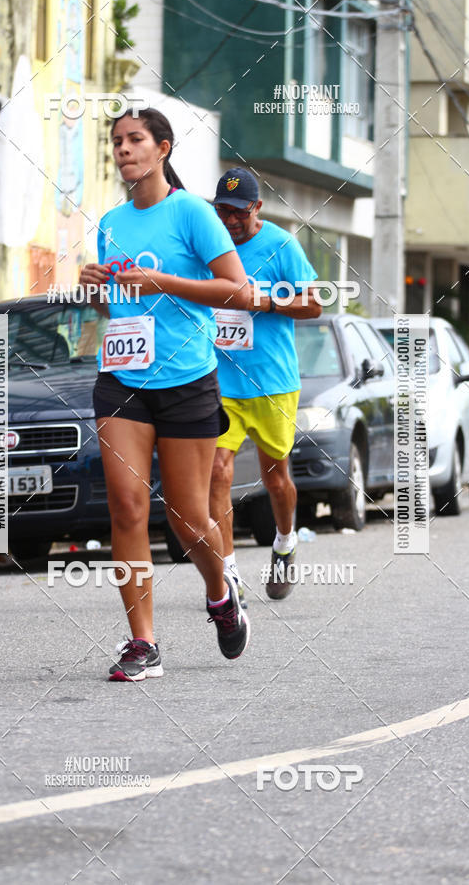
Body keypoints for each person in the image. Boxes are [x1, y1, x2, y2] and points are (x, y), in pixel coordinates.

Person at [79, 109, 251, 682]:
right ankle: (142, 642)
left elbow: (238, 292)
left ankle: (220, 591)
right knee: (127, 506)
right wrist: (98, 291)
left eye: (134, 140)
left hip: (187, 381)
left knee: (186, 517)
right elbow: (119, 308)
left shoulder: (193, 213)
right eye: (117, 142)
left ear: (161, 148)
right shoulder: (110, 221)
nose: (124, 150)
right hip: (122, 377)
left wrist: (164, 283)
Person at [209, 167, 320, 602]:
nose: (230, 220)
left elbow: (313, 305)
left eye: (238, 211)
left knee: (276, 479)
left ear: (256, 207)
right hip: (221, 382)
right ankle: (228, 571)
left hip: (272, 382)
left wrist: (266, 300)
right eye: (223, 211)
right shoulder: (210, 245)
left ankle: (285, 541)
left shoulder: (281, 245)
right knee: (218, 470)